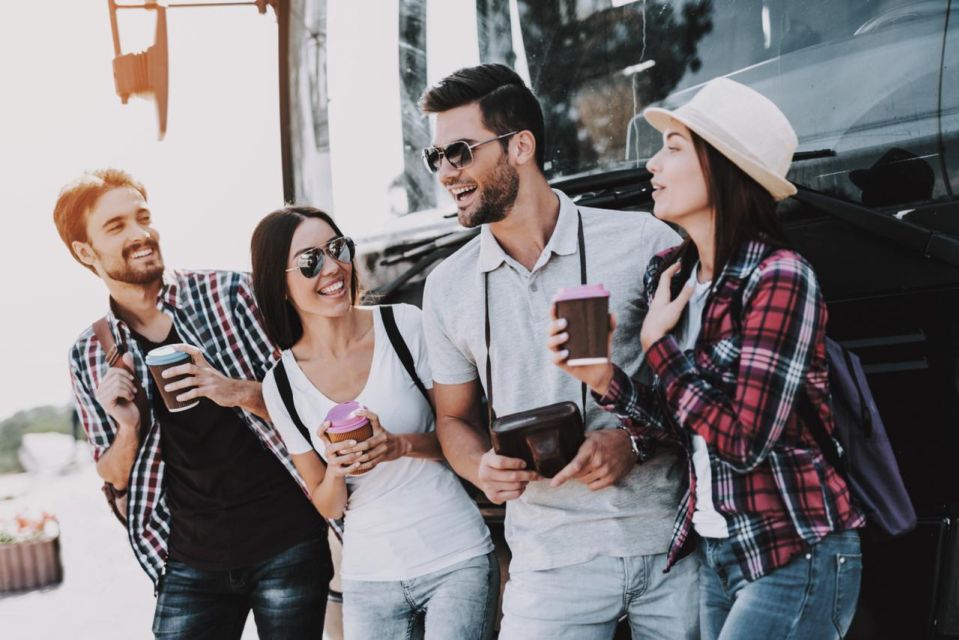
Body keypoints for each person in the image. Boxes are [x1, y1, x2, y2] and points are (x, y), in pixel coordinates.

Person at [548, 78, 865, 639]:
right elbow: (683, 426)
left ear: (723, 167)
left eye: (673, 147)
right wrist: (602, 377)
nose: (652, 164)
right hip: (719, 550)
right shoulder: (671, 277)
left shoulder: (780, 278)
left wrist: (658, 347)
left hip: (795, 546)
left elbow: (744, 440)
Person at [419, 63, 698, 639]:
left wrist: (632, 442)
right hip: (548, 565)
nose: (448, 173)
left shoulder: (646, 242)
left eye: (461, 152)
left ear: (521, 145)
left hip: (672, 545)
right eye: (437, 157)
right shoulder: (446, 287)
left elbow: (705, 391)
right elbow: (452, 419)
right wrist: (480, 468)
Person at [55, 169, 331, 639]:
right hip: (188, 560)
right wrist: (127, 428)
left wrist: (235, 391)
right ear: (85, 251)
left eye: (143, 217)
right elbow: (113, 474)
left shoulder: (234, 295)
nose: (141, 233)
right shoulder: (90, 353)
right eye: (116, 226)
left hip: (287, 539)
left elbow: (317, 398)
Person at [252, 206, 498, 640]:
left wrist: (398, 445)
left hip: (454, 557)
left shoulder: (404, 326)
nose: (333, 268)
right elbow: (329, 505)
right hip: (368, 579)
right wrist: (335, 467)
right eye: (310, 261)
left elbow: (466, 431)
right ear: (281, 284)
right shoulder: (282, 384)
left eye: (336, 248)